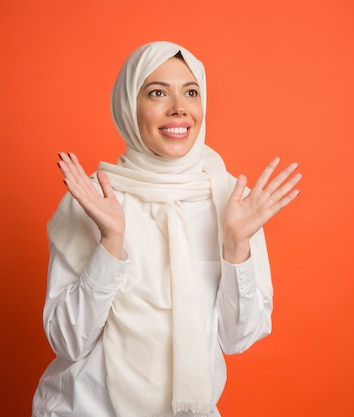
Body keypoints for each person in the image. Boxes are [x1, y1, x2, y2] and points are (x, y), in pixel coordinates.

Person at [32, 41, 302, 417]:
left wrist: (237, 244)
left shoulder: (230, 201)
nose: (179, 107)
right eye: (157, 92)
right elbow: (68, 342)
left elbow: (237, 338)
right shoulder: (93, 198)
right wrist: (111, 242)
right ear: (128, 106)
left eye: (191, 92)